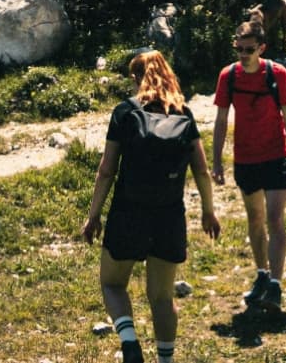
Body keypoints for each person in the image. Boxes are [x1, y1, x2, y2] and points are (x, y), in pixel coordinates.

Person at [82, 50, 221, 363]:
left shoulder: (124, 112)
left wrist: (93, 217)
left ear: (135, 79)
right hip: (168, 215)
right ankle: (166, 360)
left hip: (128, 211)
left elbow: (106, 170)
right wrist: (208, 211)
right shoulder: (183, 113)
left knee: (112, 283)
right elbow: (200, 169)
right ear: (169, 75)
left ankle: (130, 342)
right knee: (161, 297)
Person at [211, 19, 286, 314]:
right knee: (254, 220)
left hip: (275, 156)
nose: (243, 54)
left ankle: (275, 283)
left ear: (261, 48)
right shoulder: (229, 77)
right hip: (245, 158)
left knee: (275, 219)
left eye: (248, 49)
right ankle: (262, 274)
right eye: (238, 48)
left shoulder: (277, 74)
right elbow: (221, 120)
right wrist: (216, 161)